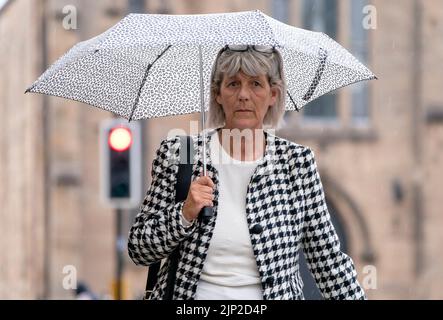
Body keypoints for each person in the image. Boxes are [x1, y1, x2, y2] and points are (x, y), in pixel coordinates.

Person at [128, 45, 366, 300]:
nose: (243, 95)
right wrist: (184, 213)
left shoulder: (296, 163)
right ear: (217, 94)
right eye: (232, 84)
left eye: (255, 84)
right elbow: (139, 248)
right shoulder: (182, 153)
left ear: (273, 94)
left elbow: (328, 263)